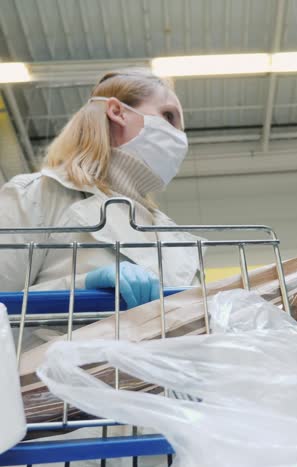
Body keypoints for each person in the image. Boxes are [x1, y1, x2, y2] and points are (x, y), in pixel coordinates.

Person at [0, 70, 202, 310]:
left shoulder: (171, 234)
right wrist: (83, 287)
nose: (179, 136)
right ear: (117, 112)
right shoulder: (38, 195)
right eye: (168, 116)